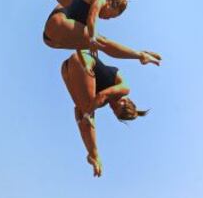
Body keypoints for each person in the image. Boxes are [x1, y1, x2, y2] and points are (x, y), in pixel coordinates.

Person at [61, 49, 161, 177]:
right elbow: (103, 94)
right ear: (125, 101)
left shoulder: (101, 103)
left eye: (114, 111)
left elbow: (80, 112)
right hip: (83, 62)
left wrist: (83, 118)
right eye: (116, 107)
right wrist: (87, 114)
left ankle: (93, 155)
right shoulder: (123, 87)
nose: (112, 107)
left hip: (66, 69)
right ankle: (95, 155)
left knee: (82, 114)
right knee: (88, 111)